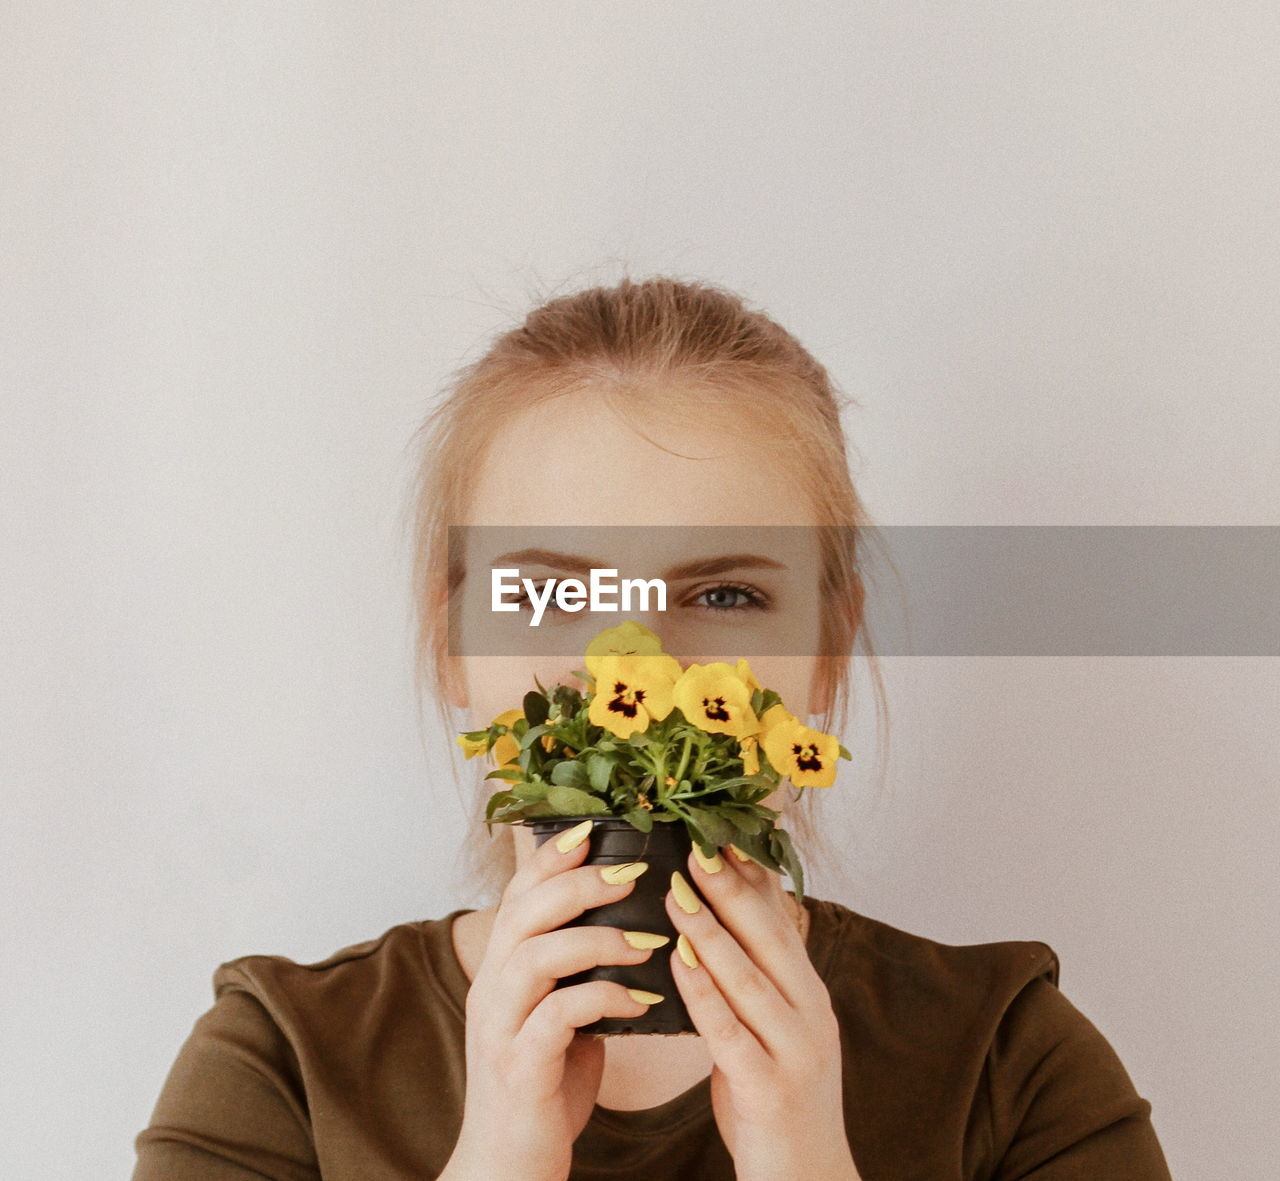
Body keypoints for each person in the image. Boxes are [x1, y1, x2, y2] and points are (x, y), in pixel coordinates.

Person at [133, 276, 1171, 1179]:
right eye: (549, 595)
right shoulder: (281, 1064)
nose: (633, 658)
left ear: (826, 646)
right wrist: (496, 1161)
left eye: (720, 595)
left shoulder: (1007, 1054)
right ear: (449, 639)